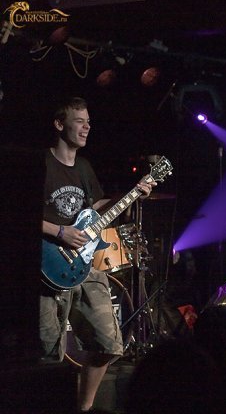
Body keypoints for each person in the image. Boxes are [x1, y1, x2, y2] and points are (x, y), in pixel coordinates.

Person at [40, 97, 155, 412]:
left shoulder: (84, 167)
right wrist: (60, 232)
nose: (86, 127)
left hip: (84, 265)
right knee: (46, 356)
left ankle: (84, 408)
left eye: (88, 121)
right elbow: (15, 212)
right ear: (59, 124)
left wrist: (132, 193)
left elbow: (95, 209)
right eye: (79, 121)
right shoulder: (41, 164)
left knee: (109, 345)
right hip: (47, 266)